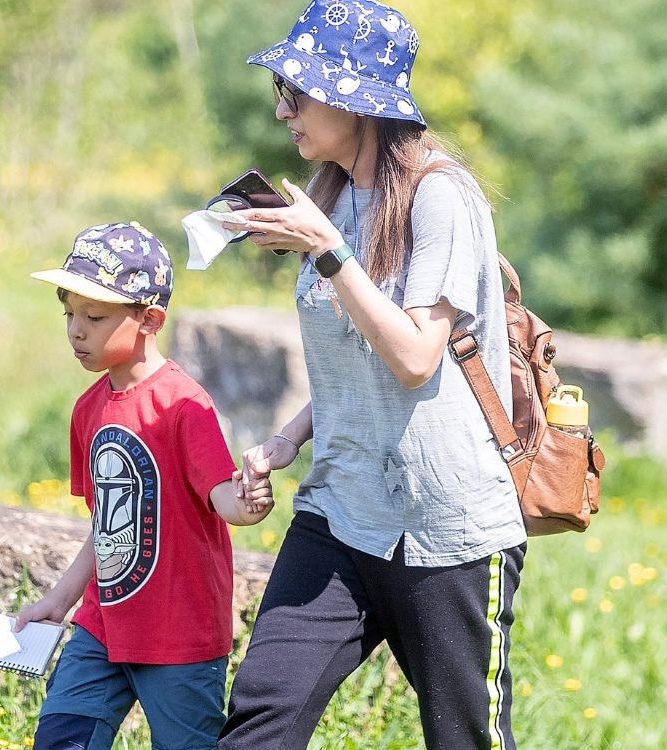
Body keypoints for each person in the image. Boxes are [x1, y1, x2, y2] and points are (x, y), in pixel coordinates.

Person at [217, 2, 527, 748]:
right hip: (340, 511)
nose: (284, 110)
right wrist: (289, 439)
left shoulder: (442, 196)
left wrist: (329, 253)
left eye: (300, 91)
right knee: (259, 722)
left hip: (446, 530)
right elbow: (355, 356)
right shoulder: (328, 194)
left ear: (358, 99)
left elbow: (417, 358)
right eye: (281, 91)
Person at [18, 221, 273, 750]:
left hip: (179, 638)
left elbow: (224, 497)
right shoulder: (88, 409)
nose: (75, 330)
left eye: (94, 316)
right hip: (101, 627)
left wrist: (249, 502)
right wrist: (60, 600)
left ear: (149, 319)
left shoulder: (183, 404)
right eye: (68, 314)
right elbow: (105, 525)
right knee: (61, 738)